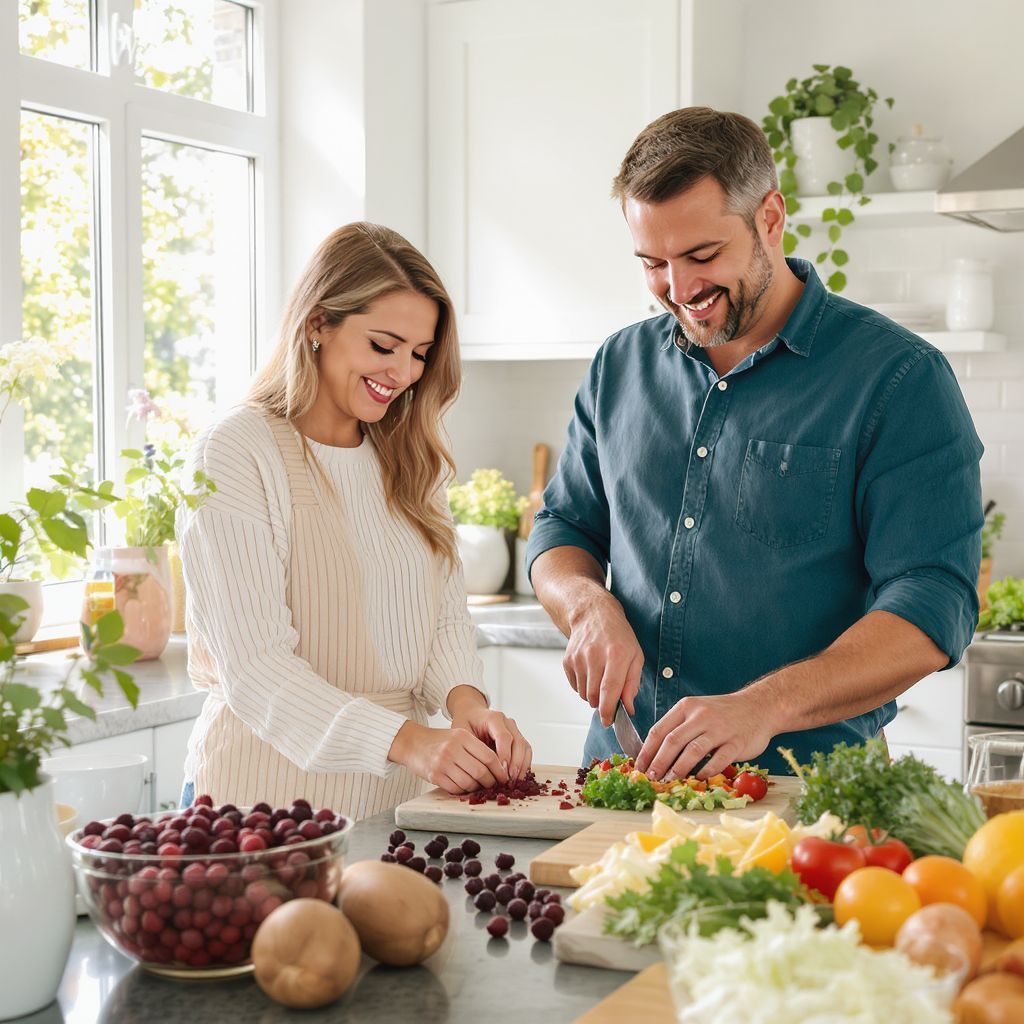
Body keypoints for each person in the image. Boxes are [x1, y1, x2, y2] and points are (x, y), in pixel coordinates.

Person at [527, 107, 983, 781]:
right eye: (653, 263)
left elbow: (932, 604)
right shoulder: (617, 367)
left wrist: (763, 707)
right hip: (622, 782)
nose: (679, 291)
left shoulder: (898, 378)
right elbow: (563, 528)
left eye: (702, 256)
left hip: (808, 792)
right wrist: (587, 605)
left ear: (770, 218)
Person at [178, 222, 531, 816]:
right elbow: (257, 671)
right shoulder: (238, 451)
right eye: (383, 345)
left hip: (394, 802)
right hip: (258, 807)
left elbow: (441, 617)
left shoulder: (412, 459)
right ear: (318, 323)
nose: (402, 373)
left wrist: (468, 704)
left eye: (419, 354)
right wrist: (410, 741)